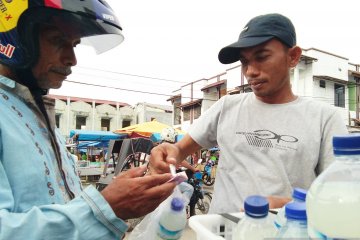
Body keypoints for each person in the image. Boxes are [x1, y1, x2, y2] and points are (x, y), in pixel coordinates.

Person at [0, 1, 175, 239]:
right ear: (15, 38)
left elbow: (62, 202)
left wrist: (116, 198)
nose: (72, 59)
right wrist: (105, 209)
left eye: (74, 45)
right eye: (57, 40)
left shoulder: (35, 110)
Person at [148, 13, 348, 214]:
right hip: (219, 231)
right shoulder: (226, 107)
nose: (250, 71)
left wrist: (289, 207)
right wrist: (169, 153)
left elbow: (342, 197)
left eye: (262, 57)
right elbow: (180, 150)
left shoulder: (325, 119)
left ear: (293, 56)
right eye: (244, 62)